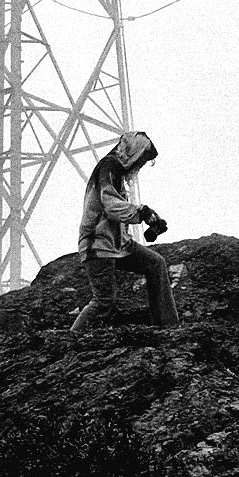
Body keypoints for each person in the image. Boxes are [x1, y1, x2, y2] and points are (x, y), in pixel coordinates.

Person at [70, 130, 177, 331]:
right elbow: (110, 205)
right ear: (134, 152)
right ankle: (70, 341)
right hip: (98, 244)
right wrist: (141, 212)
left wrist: (146, 214)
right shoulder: (109, 166)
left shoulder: (115, 171)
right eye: (142, 159)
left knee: (155, 264)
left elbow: (116, 208)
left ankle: (167, 327)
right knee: (103, 302)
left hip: (117, 243)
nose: (140, 165)